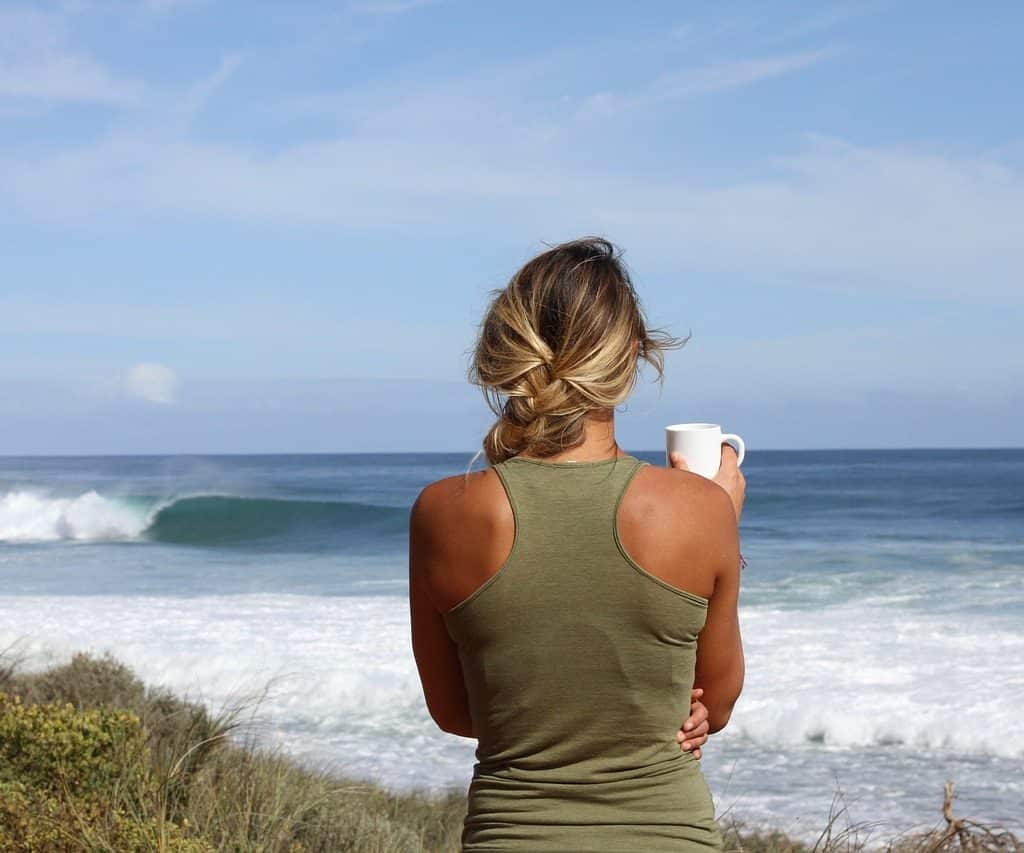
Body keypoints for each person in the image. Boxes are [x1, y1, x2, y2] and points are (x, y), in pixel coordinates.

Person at [409, 236, 745, 851]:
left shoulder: (443, 511)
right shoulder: (701, 508)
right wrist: (721, 518)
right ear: (634, 356)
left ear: (504, 348)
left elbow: (457, 714)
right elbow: (713, 707)